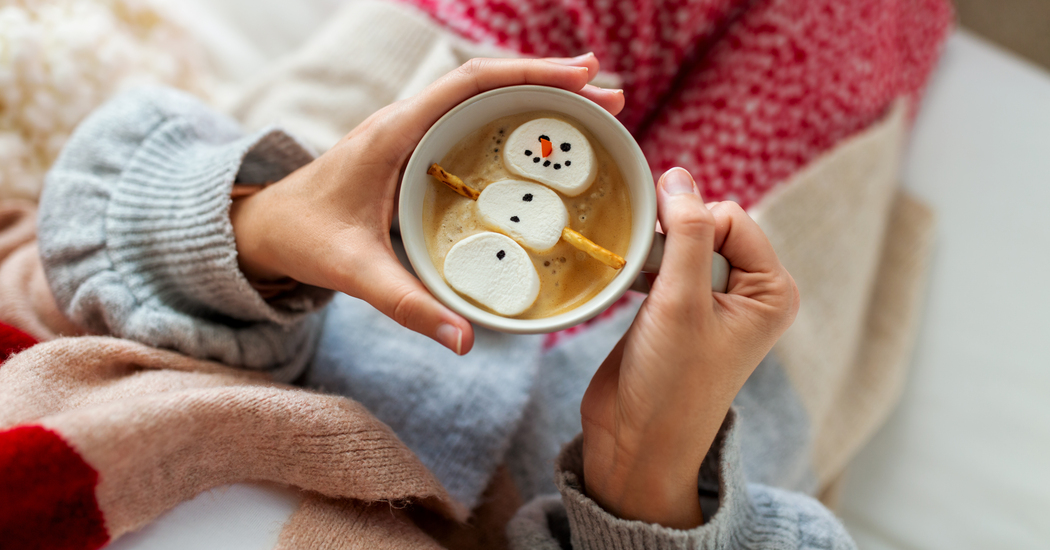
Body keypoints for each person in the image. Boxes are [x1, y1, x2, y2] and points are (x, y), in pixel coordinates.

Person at [36, 55, 856, 548]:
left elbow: (56, 272)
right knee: (851, 54)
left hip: (320, 186)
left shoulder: (42, 474)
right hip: (695, 439)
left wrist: (258, 230)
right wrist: (649, 484)